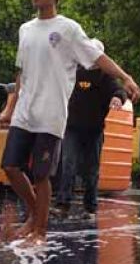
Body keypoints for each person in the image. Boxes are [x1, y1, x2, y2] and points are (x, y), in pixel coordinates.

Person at [0, 0, 140, 247]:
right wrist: (9, 108)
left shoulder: (68, 29)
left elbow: (98, 57)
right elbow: (20, 73)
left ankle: (40, 231)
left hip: (51, 115)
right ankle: (36, 214)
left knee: (41, 175)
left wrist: (126, 77)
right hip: (25, 112)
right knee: (11, 167)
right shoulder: (25, 30)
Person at [53, 39, 128, 219]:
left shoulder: (105, 77)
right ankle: (63, 204)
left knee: (91, 169)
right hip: (72, 129)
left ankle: (90, 208)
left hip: (94, 131)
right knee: (68, 164)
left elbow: (120, 91)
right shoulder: (74, 73)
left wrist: (118, 98)